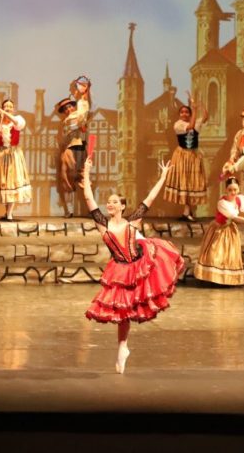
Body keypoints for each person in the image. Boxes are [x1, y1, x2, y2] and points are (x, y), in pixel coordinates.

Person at [82, 158, 184, 374]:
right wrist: (87, 172)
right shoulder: (102, 224)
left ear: (122, 206)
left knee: (128, 310)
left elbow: (150, 198)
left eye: (114, 201)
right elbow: (89, 198)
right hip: (120, 269)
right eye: (108, 201)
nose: (110, 204)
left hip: (138, 265)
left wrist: (163, 176)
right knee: (122, 311)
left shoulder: (132, 222)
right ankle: (123, 347)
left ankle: (122, 346)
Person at [0, 98, 32, 220]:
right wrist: (1, 117)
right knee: (4, 184)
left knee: (12, 182)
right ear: (2, 108)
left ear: (13, 109)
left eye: (10, 106)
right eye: (6, 106)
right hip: (0, 155)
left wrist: (4, 113)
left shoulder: (18, 119)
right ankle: (7, 213)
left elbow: (16, 123)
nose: (8, 108)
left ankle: (10, 214)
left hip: (13, 154)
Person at [164, 94, 209, 220]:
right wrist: (194, 109)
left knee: (192, 183)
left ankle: (187, 212)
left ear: (189, 114)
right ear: (179, 115)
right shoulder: (178, 125)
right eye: (182, 112)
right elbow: (190, 127)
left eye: (186, 112)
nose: (184, 114)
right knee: (185, 182)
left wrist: (201, 104)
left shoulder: (195, 123)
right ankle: (186, 212)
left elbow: (205, 117)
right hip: (182, 156)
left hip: (193, 156)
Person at [56, 75, 91, 217]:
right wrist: (82, 97)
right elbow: (78, 122)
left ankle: (91, 208)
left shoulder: (80, 112)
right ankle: (69, 210)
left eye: (70, 106)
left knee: (84, 178)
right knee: (67, 180)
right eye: (65, 108)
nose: (68, 109)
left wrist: (83, 94)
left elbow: (82, 117)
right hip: (70, 150)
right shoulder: (68, 121)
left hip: (80, 149)